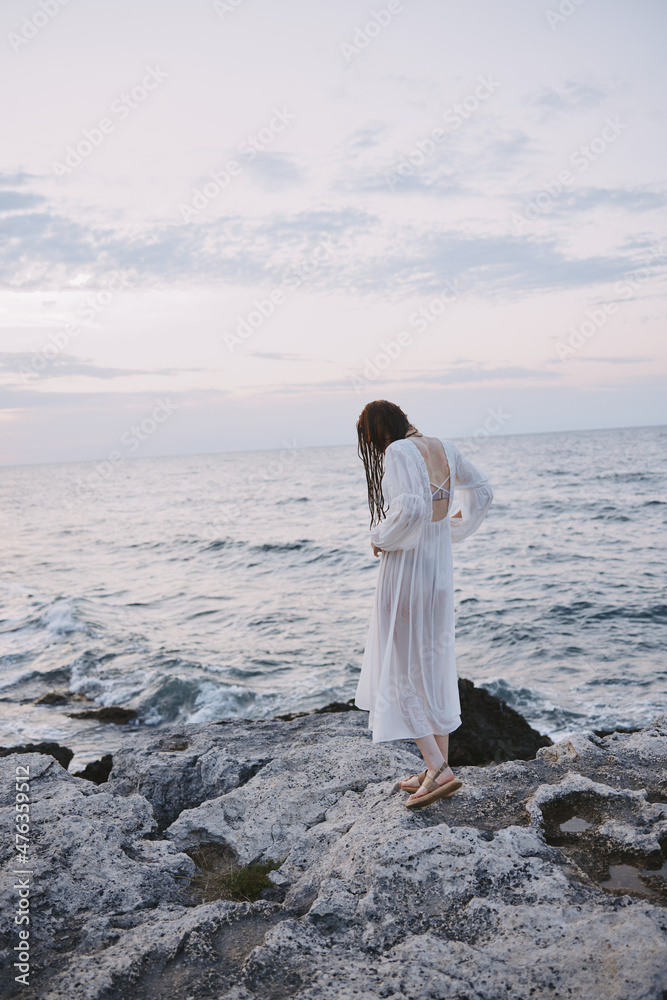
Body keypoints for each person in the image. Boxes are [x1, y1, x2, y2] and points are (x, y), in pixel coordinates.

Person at [354, 400, 494, 808]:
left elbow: (411, 507)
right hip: (439, 572)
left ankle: (438, 766)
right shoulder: (445, 448)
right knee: (431, 666)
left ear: (379, 432)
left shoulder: (398, 451)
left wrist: (381, 537)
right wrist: (451, 527)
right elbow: (482, 492)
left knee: (399, 668)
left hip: (408, 573)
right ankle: (437, 766)